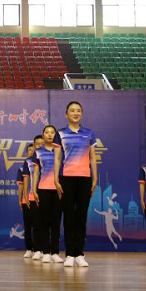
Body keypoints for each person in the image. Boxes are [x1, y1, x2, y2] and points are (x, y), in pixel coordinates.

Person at [52, 101, 97, 268]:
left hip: (84, 178)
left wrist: (94, 178)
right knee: (69, 216)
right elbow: (57, 158)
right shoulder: (60, 133)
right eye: (72, 110)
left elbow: (93, 157)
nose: (75, 113)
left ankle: (80, 254)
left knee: (81, 216)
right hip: (67, 178)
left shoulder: (89, 133)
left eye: (78, 110)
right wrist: (55, 179)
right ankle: (70, 254)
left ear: (82, 114)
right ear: (66, 114)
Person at [32, 126, 64, 264]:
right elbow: (36, 173)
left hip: (58, 189)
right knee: (44, 221)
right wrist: (34, 190)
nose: (50, 135)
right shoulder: (38, 152)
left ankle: (55, 252)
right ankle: (45, 252)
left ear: (56, 135)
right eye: (47, 132)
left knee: (56, 221)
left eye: (52, 132)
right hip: (43, 189)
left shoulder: (61, 151)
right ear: (43, 135)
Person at [16, 144, 35, 259]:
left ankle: (39, 249)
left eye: (34, 150)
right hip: (26, 200)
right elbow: (21, 185)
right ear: (26, 153)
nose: (32, 152)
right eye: (29, 150)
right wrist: (20, 199)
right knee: (28, 226)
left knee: (39, 225)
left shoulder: (41, 164)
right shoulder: (22, 167)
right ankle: (29, 249)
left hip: (37, 199)